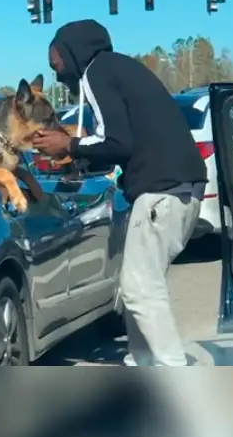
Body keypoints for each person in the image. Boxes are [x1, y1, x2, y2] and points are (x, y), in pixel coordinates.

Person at [32, 19, 207, 367]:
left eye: (57, 65)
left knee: (140, 288)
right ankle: (143, 362)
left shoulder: (97, 72)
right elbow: (125, 145)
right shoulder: (121, 69)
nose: (56, 76)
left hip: (161, 191)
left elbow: (116, 140)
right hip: (181, 189)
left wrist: (69, 142)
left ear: (72, 53)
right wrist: (78, 156)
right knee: (139, 286)